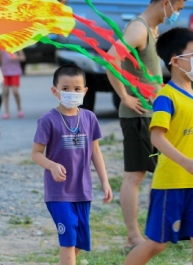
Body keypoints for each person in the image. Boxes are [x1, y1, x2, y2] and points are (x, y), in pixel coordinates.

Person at [124, 27, 193, 265]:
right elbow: (157, 137)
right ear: (175, 61)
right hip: (171, 185)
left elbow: (188, 136)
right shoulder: (166, 97)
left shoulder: (192, 97)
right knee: (156, 244)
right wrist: (185, 162)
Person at [108, 0, 189, 248]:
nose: (176, 14)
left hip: (152, 114)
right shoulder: (139, 29)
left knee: (163, 171)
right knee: (135, 175)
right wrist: (124, 96)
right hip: (138, 116)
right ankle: (134, 237)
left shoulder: (152, 31)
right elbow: (110, 57)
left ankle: (160, 230)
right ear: (166, 2)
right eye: (176, 8)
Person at [31, 64, 113, 265]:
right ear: (55, 91)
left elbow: (95, 151)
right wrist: (51, 165)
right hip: (58, 193)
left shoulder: (89, 118)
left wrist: (105, 181)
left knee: (78, 243)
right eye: (65, 88)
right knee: (68, 241)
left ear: (85, 91)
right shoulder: (48, 120)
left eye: (77, 89)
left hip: (83, 191)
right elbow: (35, 154)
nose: (71, 93)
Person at [0, 47, 25, 119]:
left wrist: (16, 57)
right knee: (6, 92)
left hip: (15, 72)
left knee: (15, 92)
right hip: (5, 72)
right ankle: (7, 112)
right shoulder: (1, 47)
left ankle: (19, 109)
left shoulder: (17, 46)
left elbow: (23, 58)